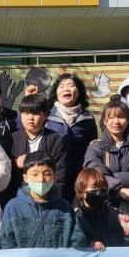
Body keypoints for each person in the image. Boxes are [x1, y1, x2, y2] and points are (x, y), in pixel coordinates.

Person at [83, 97, 129, 232]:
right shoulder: (96, 147)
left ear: (128, 121)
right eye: (111, 117)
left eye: (121, 117)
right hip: (104, 205)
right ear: (105, 121)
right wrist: (119, 190)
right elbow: (95, 174)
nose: (116, 121)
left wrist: (113, 178)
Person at [44, 73, 98, 202]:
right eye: (61, 86)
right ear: (56, 93)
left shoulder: (88, 118)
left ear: (79, 92)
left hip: (78, 177)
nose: (66, 89)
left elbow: (93, 148)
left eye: (71, 85)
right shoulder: (47, 116)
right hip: (53, 175)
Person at [7, 93, 67, 201]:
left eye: (35, 113)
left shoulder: (54, 139)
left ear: (45, 115)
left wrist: (53, 197)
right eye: (26, 113)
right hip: (18, 197)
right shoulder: (12, 139)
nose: (30, 118)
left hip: (48, 197)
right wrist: (15, 162)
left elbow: (60, 172)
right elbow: (4, 169)